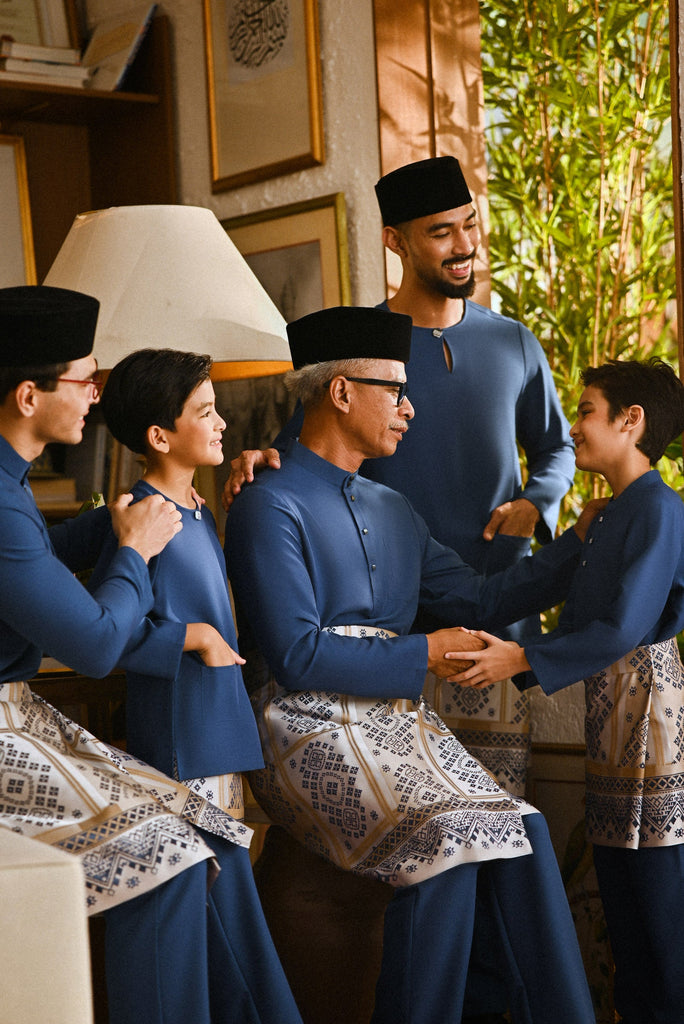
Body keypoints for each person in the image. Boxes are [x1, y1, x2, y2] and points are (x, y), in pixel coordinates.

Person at [224, 304, 597, 1024]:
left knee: (524, 830)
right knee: (447, 838)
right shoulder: (267, 504)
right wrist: (424, 650)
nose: (409, 407)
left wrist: (581, 541)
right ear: (341, 392)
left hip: (398, 722)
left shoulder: (395, 508)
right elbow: (297, 656)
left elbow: (483, 597)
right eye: (395, 390)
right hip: (299, 724)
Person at [224, 156, 575, 798]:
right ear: (396, 240)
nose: (464, 245)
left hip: (486, 613)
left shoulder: (515, 343)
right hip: (384, 637)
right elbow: (307, 454)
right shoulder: (366, 353)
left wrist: (540, 504)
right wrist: (255, 459)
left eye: (470, 224)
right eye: (441, 231)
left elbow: (558, 450)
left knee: (499, 810)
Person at [0, 285, 290, 1024]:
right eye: (83, 379)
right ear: (29, 396)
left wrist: (136, 516)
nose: (94, 393)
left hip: (23, 720)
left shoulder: (11, 486)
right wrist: (134, 548)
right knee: (169, 853)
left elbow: (38, 553)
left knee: (199, 838)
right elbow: (100, 645)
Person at [447, 357, 684, 1024]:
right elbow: (557, 596)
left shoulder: (659, 509)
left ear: (630, 421)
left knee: (659, 917)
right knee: (625, 910)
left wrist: (522, 656)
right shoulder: (607, 515)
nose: (572, 428)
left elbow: (623, 627)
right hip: (614, 719)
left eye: (585, 412)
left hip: (650, 721)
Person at [90, 347, 303, 1024]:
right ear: (159, 436)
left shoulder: (199, 508)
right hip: (181, 739)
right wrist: (194, 637)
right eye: (206, 412)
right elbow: (110, 632)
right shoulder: (139, 516)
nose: (222, 423)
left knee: (226, 924)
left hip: (218, 734)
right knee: (224, 923)